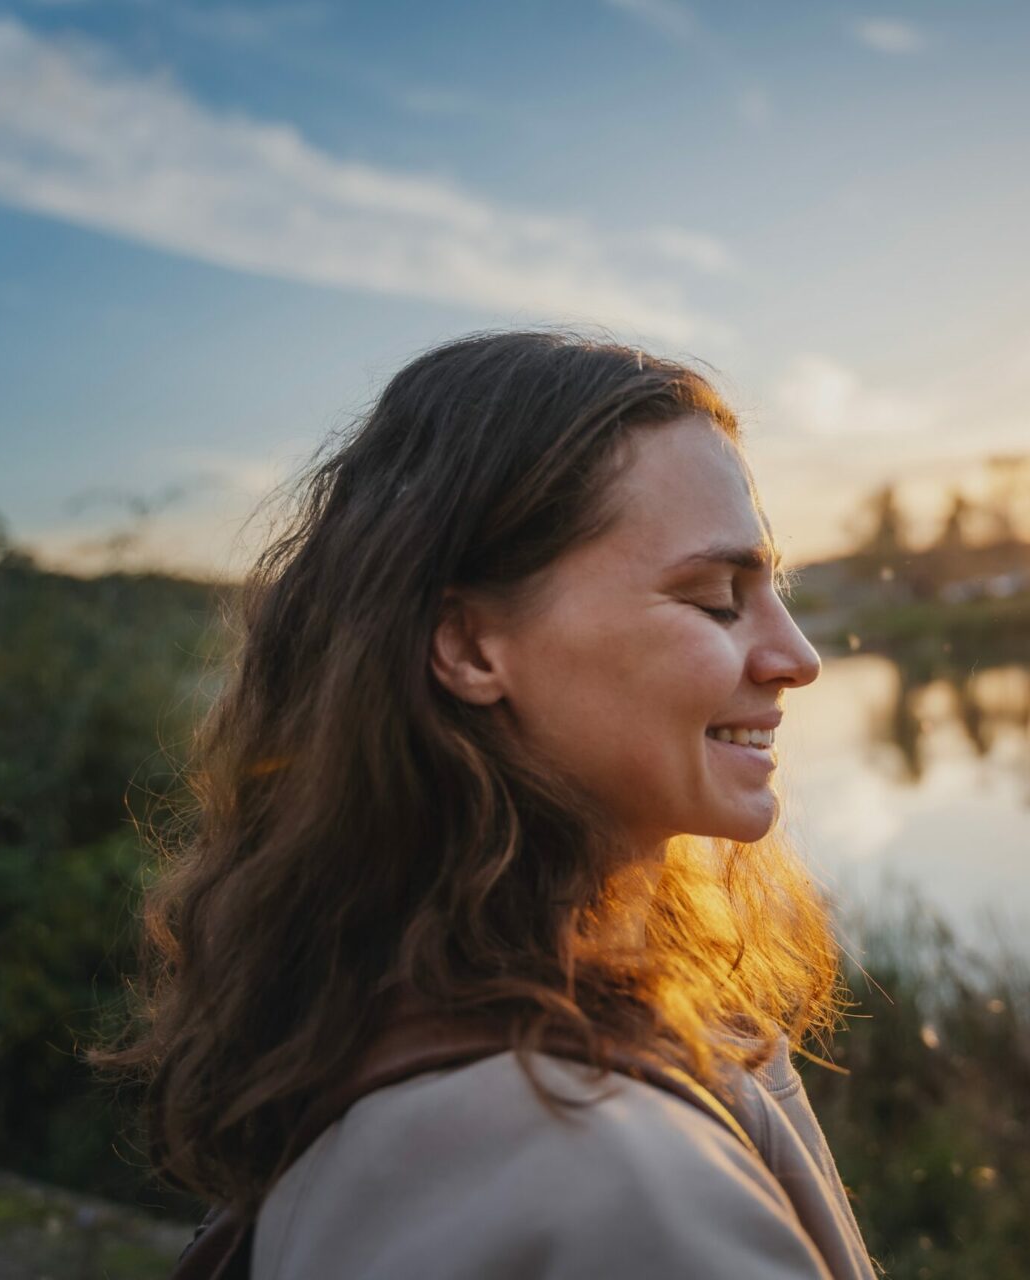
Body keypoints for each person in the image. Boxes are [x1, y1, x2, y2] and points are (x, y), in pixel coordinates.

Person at [98, 330, 877, 1279]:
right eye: (717, 596)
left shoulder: (369, 1027)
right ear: (469, 648)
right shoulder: (603, 1178)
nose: (797, 656)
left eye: (775, 589)